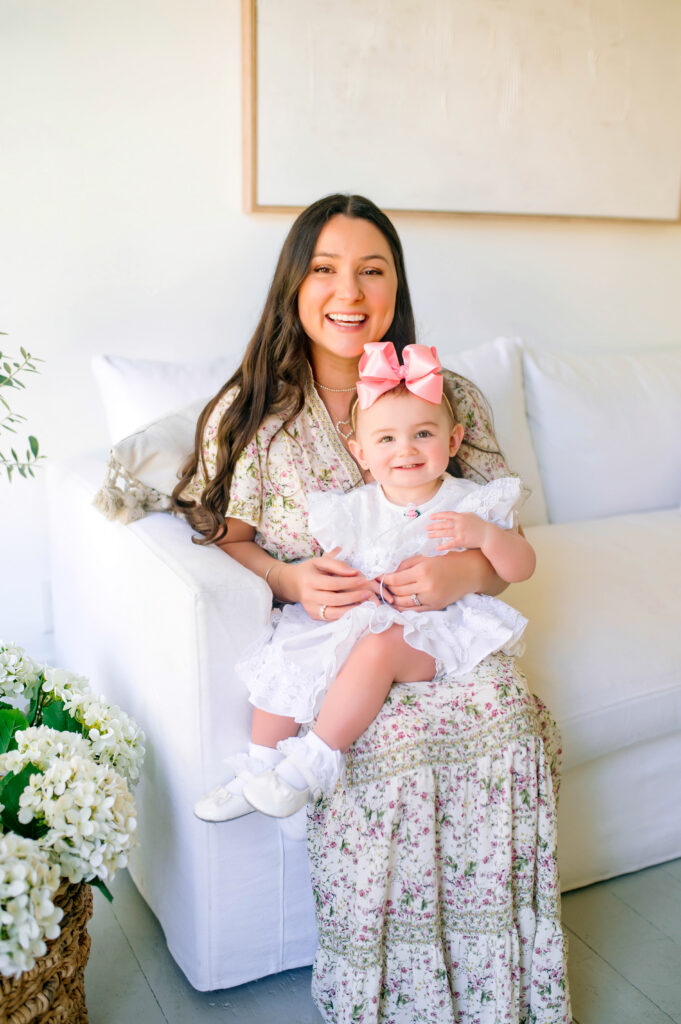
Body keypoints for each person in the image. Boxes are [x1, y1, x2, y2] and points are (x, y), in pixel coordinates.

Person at [174, 193, 571, 1023]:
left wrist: (460, 572)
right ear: (293, 285)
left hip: (443, 640)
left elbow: (501, 546)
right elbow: (226, 536)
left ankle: (500, 992)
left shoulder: (448, 395)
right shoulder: (252, 412)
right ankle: (388, 995)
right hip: (337, 643)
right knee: (374, 747)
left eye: (370, 269)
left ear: (396, 286)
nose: (347, 291)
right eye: (323, 269)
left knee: (506, 713)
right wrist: (287, 581)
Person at [194, 340, 534, 823]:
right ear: (360, 450)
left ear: (454, 441)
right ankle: (258, 767)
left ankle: (309, 765)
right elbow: (339, 558)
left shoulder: (471, 501)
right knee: (292, 641)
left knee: (379, 648)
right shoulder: (356, 506)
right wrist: (337, 581)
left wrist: (484, 536)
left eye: (423, 434)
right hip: (367, 614)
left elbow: (520, 567)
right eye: (387, 440)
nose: (406, 451)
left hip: (433, 629)